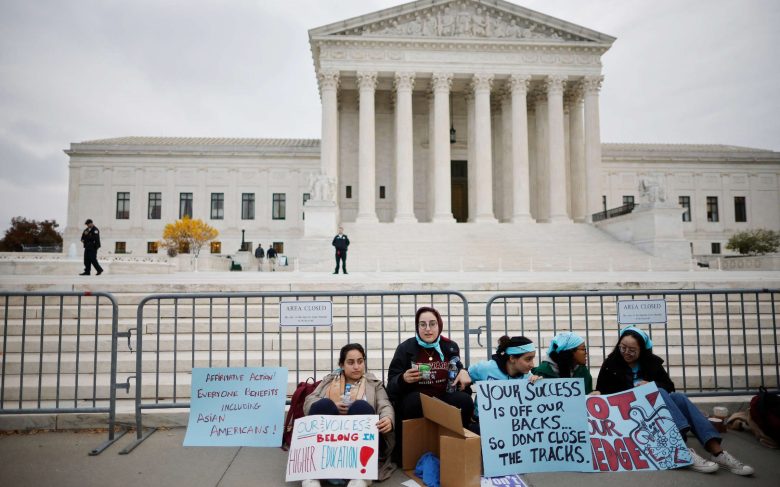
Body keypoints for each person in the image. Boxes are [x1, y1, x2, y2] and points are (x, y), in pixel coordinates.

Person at [596, 326, 755, 476]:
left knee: (676, 397)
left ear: (642, 350)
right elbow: (603, 392)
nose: (626, 353)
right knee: (659, 392)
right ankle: (681, 450)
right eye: (622, 348)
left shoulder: (652, 363)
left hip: (655, 412)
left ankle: (718, 452)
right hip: (629, 415)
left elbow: (669, 387)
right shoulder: (610, 364)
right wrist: (599, 393)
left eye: (632, 350)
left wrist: (651, 385)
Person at [302, 343, 395, 487]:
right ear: (342, 364)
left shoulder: (373, 383)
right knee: (324, 404)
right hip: (332, 441)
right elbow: (309, 402)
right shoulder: (329, 381)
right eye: (351, 362)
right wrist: (332, 403)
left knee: (361, 406)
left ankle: (361, 475)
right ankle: (313, 474)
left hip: (362, 443)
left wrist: (387, 418)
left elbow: (384, 404)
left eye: (360, 361)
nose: (356, 367)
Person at [386, 307, 473, 460]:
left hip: (443, 397)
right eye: (422, 324)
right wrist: (403, 379)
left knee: (464, 401)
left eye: (432, 324)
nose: (428, 329)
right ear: (417, 327)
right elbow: (391, 384)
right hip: (416, 401)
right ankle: (411, 452)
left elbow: (457, 369)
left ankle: (457, 449)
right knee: (415, 400)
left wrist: (464, 371)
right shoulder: (405, 348)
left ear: (439, 325)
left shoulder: (449, 346)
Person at [466, 335, 541, 433]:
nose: (532, 364)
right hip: (480, 424)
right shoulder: (486, 368)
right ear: (512, 358)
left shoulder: (528, 377)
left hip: (511, 427)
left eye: (533, 359)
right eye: (528, 359)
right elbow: (464, 376)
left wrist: (538, 385)